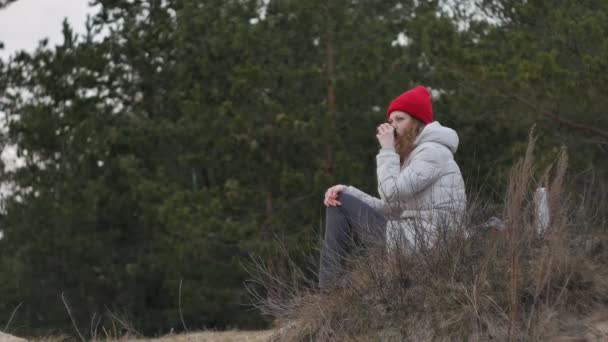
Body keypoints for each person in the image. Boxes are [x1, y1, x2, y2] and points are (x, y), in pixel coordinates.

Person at [319, 85, 466, 290]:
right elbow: (393, 207)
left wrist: (387, 149)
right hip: (414, 239)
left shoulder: (432, 152)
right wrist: (346, 191)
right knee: (340, 199)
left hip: (426, 244)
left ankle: (327, 288)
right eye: (390, 120)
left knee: (341, 203)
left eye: (400, 119)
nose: (393, 127)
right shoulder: (415, 155)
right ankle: (329, 286)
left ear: (417, 122)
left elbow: (390, 193)